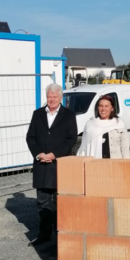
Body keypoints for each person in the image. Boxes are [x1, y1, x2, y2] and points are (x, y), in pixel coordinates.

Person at [26, 83, 78, 247]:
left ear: (61, 98)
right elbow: (30, 137)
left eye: (55, 97)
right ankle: (44, 234)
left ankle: (60, 235)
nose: (52, 99)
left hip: (59, 165)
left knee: (58, 202)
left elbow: (71, 139)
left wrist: (55, 154)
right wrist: (38, 154)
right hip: (41, 165)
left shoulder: (69, 115)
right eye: (50, 96)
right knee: (42, 202)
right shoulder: (37, 114)